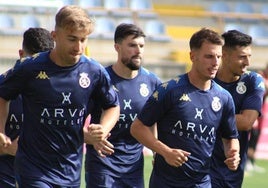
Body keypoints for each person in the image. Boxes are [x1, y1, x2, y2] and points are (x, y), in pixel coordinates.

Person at [0, 5, 120, 188]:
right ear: (55, 35)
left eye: (83, 40)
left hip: (70, 170)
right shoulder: (30, 67)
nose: (78, 47)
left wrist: (103, 129)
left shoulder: (94, 71)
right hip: (33, 169)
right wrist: (1, 130)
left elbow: (112, 106)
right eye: (72, 39)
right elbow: (2, 96)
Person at [130, 28, 240, 188]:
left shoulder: (224, 97)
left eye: (219, 56)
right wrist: (165, 152)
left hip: (201, 183)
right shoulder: (169, 90)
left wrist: (233, 153)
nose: (215, 62)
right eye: (209, 56)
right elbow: (137, 128)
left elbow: (230, 137)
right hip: (166, 183)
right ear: (192, 56)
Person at [84, 23, 161, 188]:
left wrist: (157, 152)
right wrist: (88, 137)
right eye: (132, 45)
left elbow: (153, 120)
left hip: (133, 168)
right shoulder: (100, 79)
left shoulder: (152, 81)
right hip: (102, 164)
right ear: (117, 47)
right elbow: (75, 119)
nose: (138, 50)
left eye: (141, 46)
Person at [0, 27, 54, 188]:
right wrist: (7, 148)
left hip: (44, 179)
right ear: (21, 55)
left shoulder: (56, 90)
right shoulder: (3, 88)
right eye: (33, 64)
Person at [210, 30, 265, 188]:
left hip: (232, 168)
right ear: (224, 55)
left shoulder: (253, 81)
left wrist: (203, 116)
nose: (247, 62)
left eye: (249, 56)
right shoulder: (207, 79)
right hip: (202, 165)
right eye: (242, 56)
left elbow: (246, 122)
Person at [245, 64, 268, 173]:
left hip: (260, 115)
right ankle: (246, 161)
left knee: (255, 139)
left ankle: (252, 162)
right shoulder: (259, 77)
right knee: (251, 138)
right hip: (252, 113)